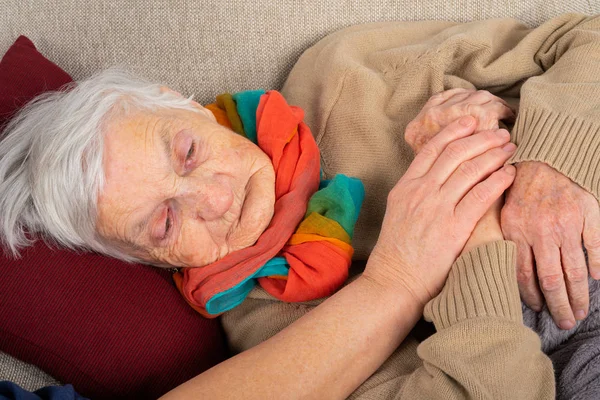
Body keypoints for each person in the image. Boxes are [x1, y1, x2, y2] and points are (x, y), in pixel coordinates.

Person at [1, 11, 599, 399]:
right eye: (164, 221)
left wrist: (543, 161)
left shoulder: (345, 77)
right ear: (147, 260)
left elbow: (585, 36)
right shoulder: (269, 328)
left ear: (177, 101)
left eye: (186, 151)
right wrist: (476, 238)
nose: (216, 197)